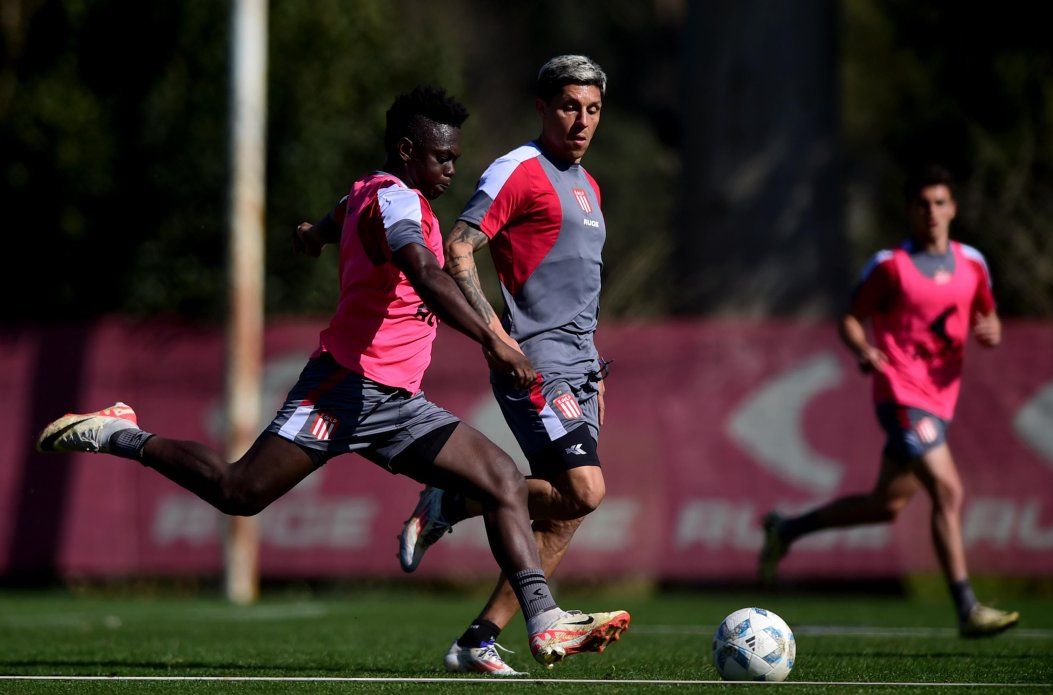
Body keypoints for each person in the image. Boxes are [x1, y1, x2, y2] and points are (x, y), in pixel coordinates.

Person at [35, 85, 627, 667]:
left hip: (399, 403)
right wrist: (491, 339)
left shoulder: (371, 190)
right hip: (342, 389)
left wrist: (315, 235)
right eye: (441, 155)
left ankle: (543, 620)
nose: (452, 166)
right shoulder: (395, 198)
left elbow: (343, 209)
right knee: (238, 492)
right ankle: (120, 434)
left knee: (499, 476)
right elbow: (424, 272)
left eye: (454, 154)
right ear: (405, 150)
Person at [395, 56, 629, 676]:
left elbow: (579, 286)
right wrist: (498, 338)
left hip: (578, 366)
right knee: (586, 490)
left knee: (568, 510)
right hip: (536, 360)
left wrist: (595, 374)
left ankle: (477, 641)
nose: (582, 121)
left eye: (594, 109)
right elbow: (460, 245)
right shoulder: (518, 169)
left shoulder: (588, 184)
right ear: (543, 108)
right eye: (569, 107)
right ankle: (453, 498)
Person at [758, 165, 1019, 638]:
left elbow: (988, 314)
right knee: (949, 491)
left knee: (886, 505)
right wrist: (863, 351)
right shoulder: (890, 265)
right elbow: (851, 320)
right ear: (910, 211)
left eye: (940, 203)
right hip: (900, 393)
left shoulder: (973, 263)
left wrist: (992, 329)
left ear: (953, 208)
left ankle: (787, 529)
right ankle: (967, 608)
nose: (932, 212)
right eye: (923, 204)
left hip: (941, 401)